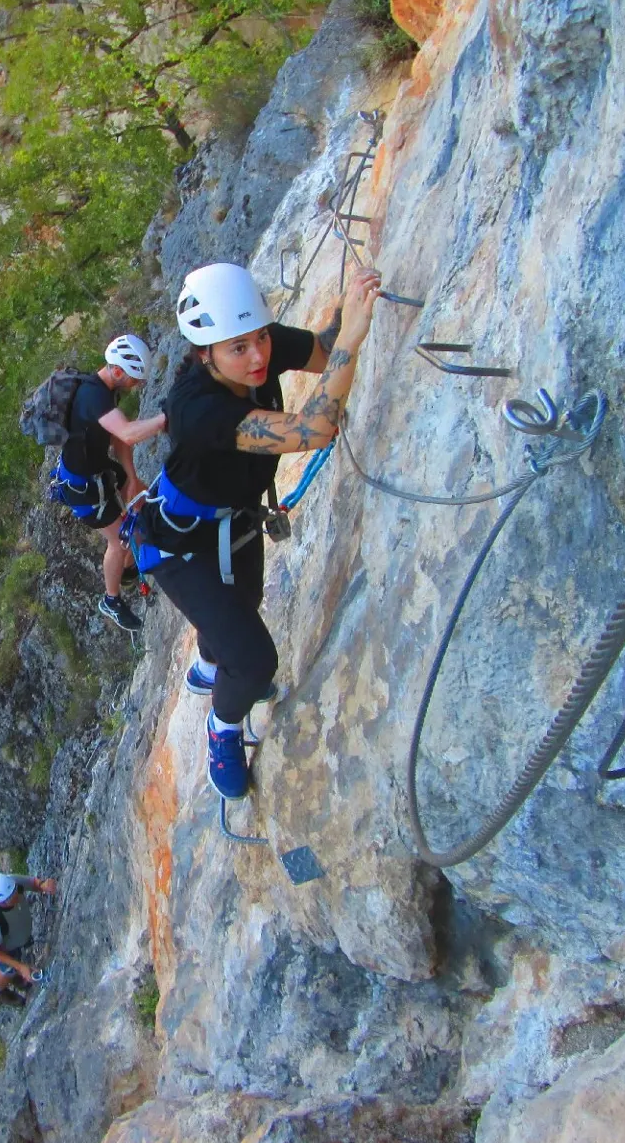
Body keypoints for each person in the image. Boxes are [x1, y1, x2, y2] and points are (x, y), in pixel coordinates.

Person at [144, 261, 382, 799]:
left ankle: (208, 666)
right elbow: (315, 428)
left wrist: (349, 308)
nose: (257, 358)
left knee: (242, 605)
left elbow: (323, 351)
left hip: (237, 525)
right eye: (238, 348)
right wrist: (354, 337)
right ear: (205, 353)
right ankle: (223, 727)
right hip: (181, 545)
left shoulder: (257, 345)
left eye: (259, 339)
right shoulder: (196, 409)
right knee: (253, 661)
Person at [54, 334, 165, 633]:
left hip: (98, 473)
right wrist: (166, 420)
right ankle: (111, 599)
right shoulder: (93, 397)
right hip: (83, 489)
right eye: (134, 379)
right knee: (118, 542)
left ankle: (130, 568)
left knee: (137, 507)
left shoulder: (105, 393)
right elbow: (128, 433)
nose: (137, 386)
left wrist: (131, 477)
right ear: (117, 371)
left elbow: (118, 439)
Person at [0, 871, 57, 1001]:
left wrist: (43, 885)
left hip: (18, 936)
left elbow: (33, 883)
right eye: (10, 897)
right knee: (7, 970)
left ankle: (18, 980)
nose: (16, 896)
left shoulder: (12, 882)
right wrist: (19, 966)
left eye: (15, 891)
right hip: (6, 948)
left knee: (14, 969)